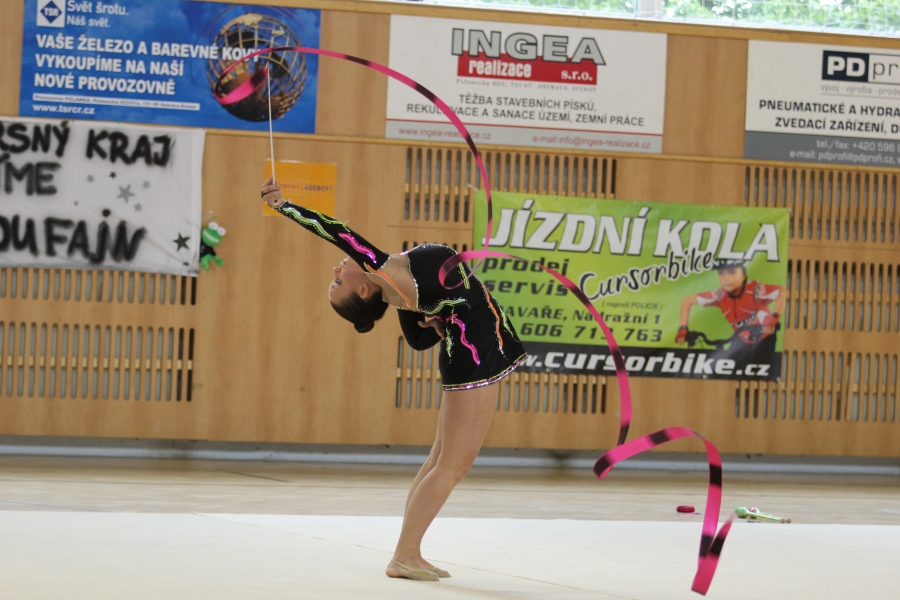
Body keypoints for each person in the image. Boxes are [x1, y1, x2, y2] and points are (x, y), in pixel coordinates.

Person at [260, 177, 527, 582]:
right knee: (454, 464)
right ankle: (404, 555)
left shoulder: (396, 289)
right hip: (475, 358)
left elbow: (418, 340)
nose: (336, 268)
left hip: (471, 350)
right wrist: (284, 206)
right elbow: (338, 232)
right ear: (364, 288)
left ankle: (409, 551)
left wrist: (441, 318)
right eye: (338, 282)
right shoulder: (387, 274)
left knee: (440, 460)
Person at [676, 258, 786, 374]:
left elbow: (783, 291)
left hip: (763, 340)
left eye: (732, 272)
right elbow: (687, 301)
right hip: (741, 341)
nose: (726, 278)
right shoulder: (720, 296)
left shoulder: (755, 291)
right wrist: (683, 327)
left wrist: (774, 315)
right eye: (721, 273)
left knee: (760, 373)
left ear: (743, 275)